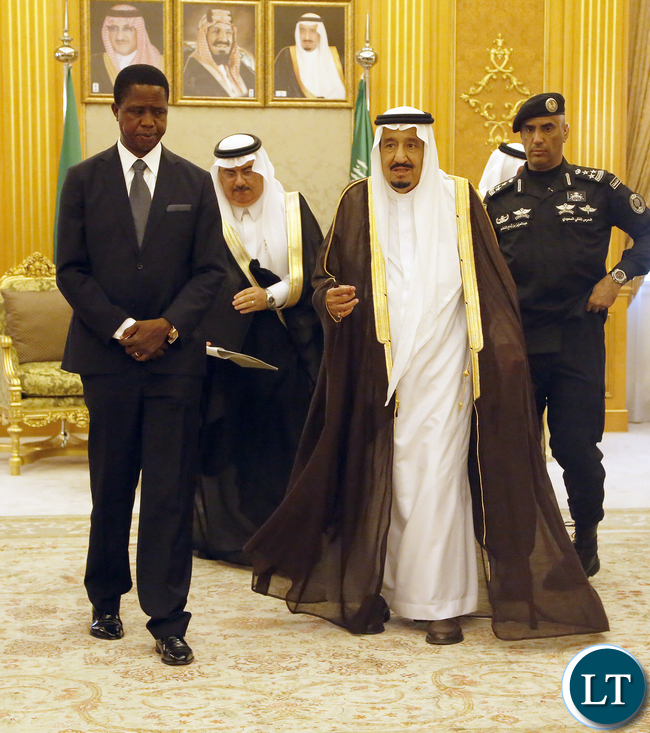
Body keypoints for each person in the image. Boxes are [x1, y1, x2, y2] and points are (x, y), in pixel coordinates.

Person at [246, 107, 609, 645]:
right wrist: (330, 301)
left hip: (449, 365)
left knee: (437, 475)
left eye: (411, 146)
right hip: (380, 370)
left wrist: (503, 359)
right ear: (379, 151)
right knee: (394, 474)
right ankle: (393, 586)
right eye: (391, 145)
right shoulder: (356, 201)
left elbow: (492, 282)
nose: (400, 157)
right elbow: (325, 276)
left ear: (427, 150)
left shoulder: (459, 198)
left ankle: (440, 603)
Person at [56, 64, 226, 666]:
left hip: (174, 362)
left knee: (168, 491)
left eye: (158, 111)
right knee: (111, 484)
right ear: (116, 111)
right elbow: (70, 269)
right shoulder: (83, 179)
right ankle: (105, 600)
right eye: (137, 110)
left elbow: (210, 271)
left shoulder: (195, 182)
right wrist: (123, 327)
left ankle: (167, 618)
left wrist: (167, 326)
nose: (148, 122)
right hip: (108, 359)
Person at [485, 92, 650, 578]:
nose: (538, 139)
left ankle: (587, 537)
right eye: (529, 130)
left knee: (576, 448)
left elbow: (647, 233)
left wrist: (616, 278)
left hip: (577, 337)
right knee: (513, 448)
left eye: (547, 128)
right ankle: (519, 540)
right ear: (521, 137)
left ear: (564, 132)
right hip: (518, 343)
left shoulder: (599, 188)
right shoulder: (498, 201)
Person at [194, 133, 323, 565]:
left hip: (288, 346)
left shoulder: (292, 209)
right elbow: (195, 281)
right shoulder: (207, 217)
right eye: (229, 174)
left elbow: (317, 271)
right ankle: (234, 535)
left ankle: (286, 534)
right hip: (227, 354)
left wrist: (270, 296)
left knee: (284, 440)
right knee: (232, 443)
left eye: (248, 171)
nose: (240, 182)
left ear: (262, 169)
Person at [90, 4, 163, 94]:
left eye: (127, 29)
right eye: (114, 29)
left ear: (139, 32)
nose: (119, 37)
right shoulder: (93, 64)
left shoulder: (161, 64)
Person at [183, 8, 255, 98]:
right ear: (204, 37)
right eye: (215, 31)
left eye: (228, 32)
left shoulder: (238, 66)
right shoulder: (193, 75)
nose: (223, 39)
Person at [274, 12, 346, 99]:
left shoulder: (335, 58)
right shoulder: (286, 56)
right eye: (302, 30)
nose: (306, 37)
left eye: (312, 31)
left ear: (320, 34)